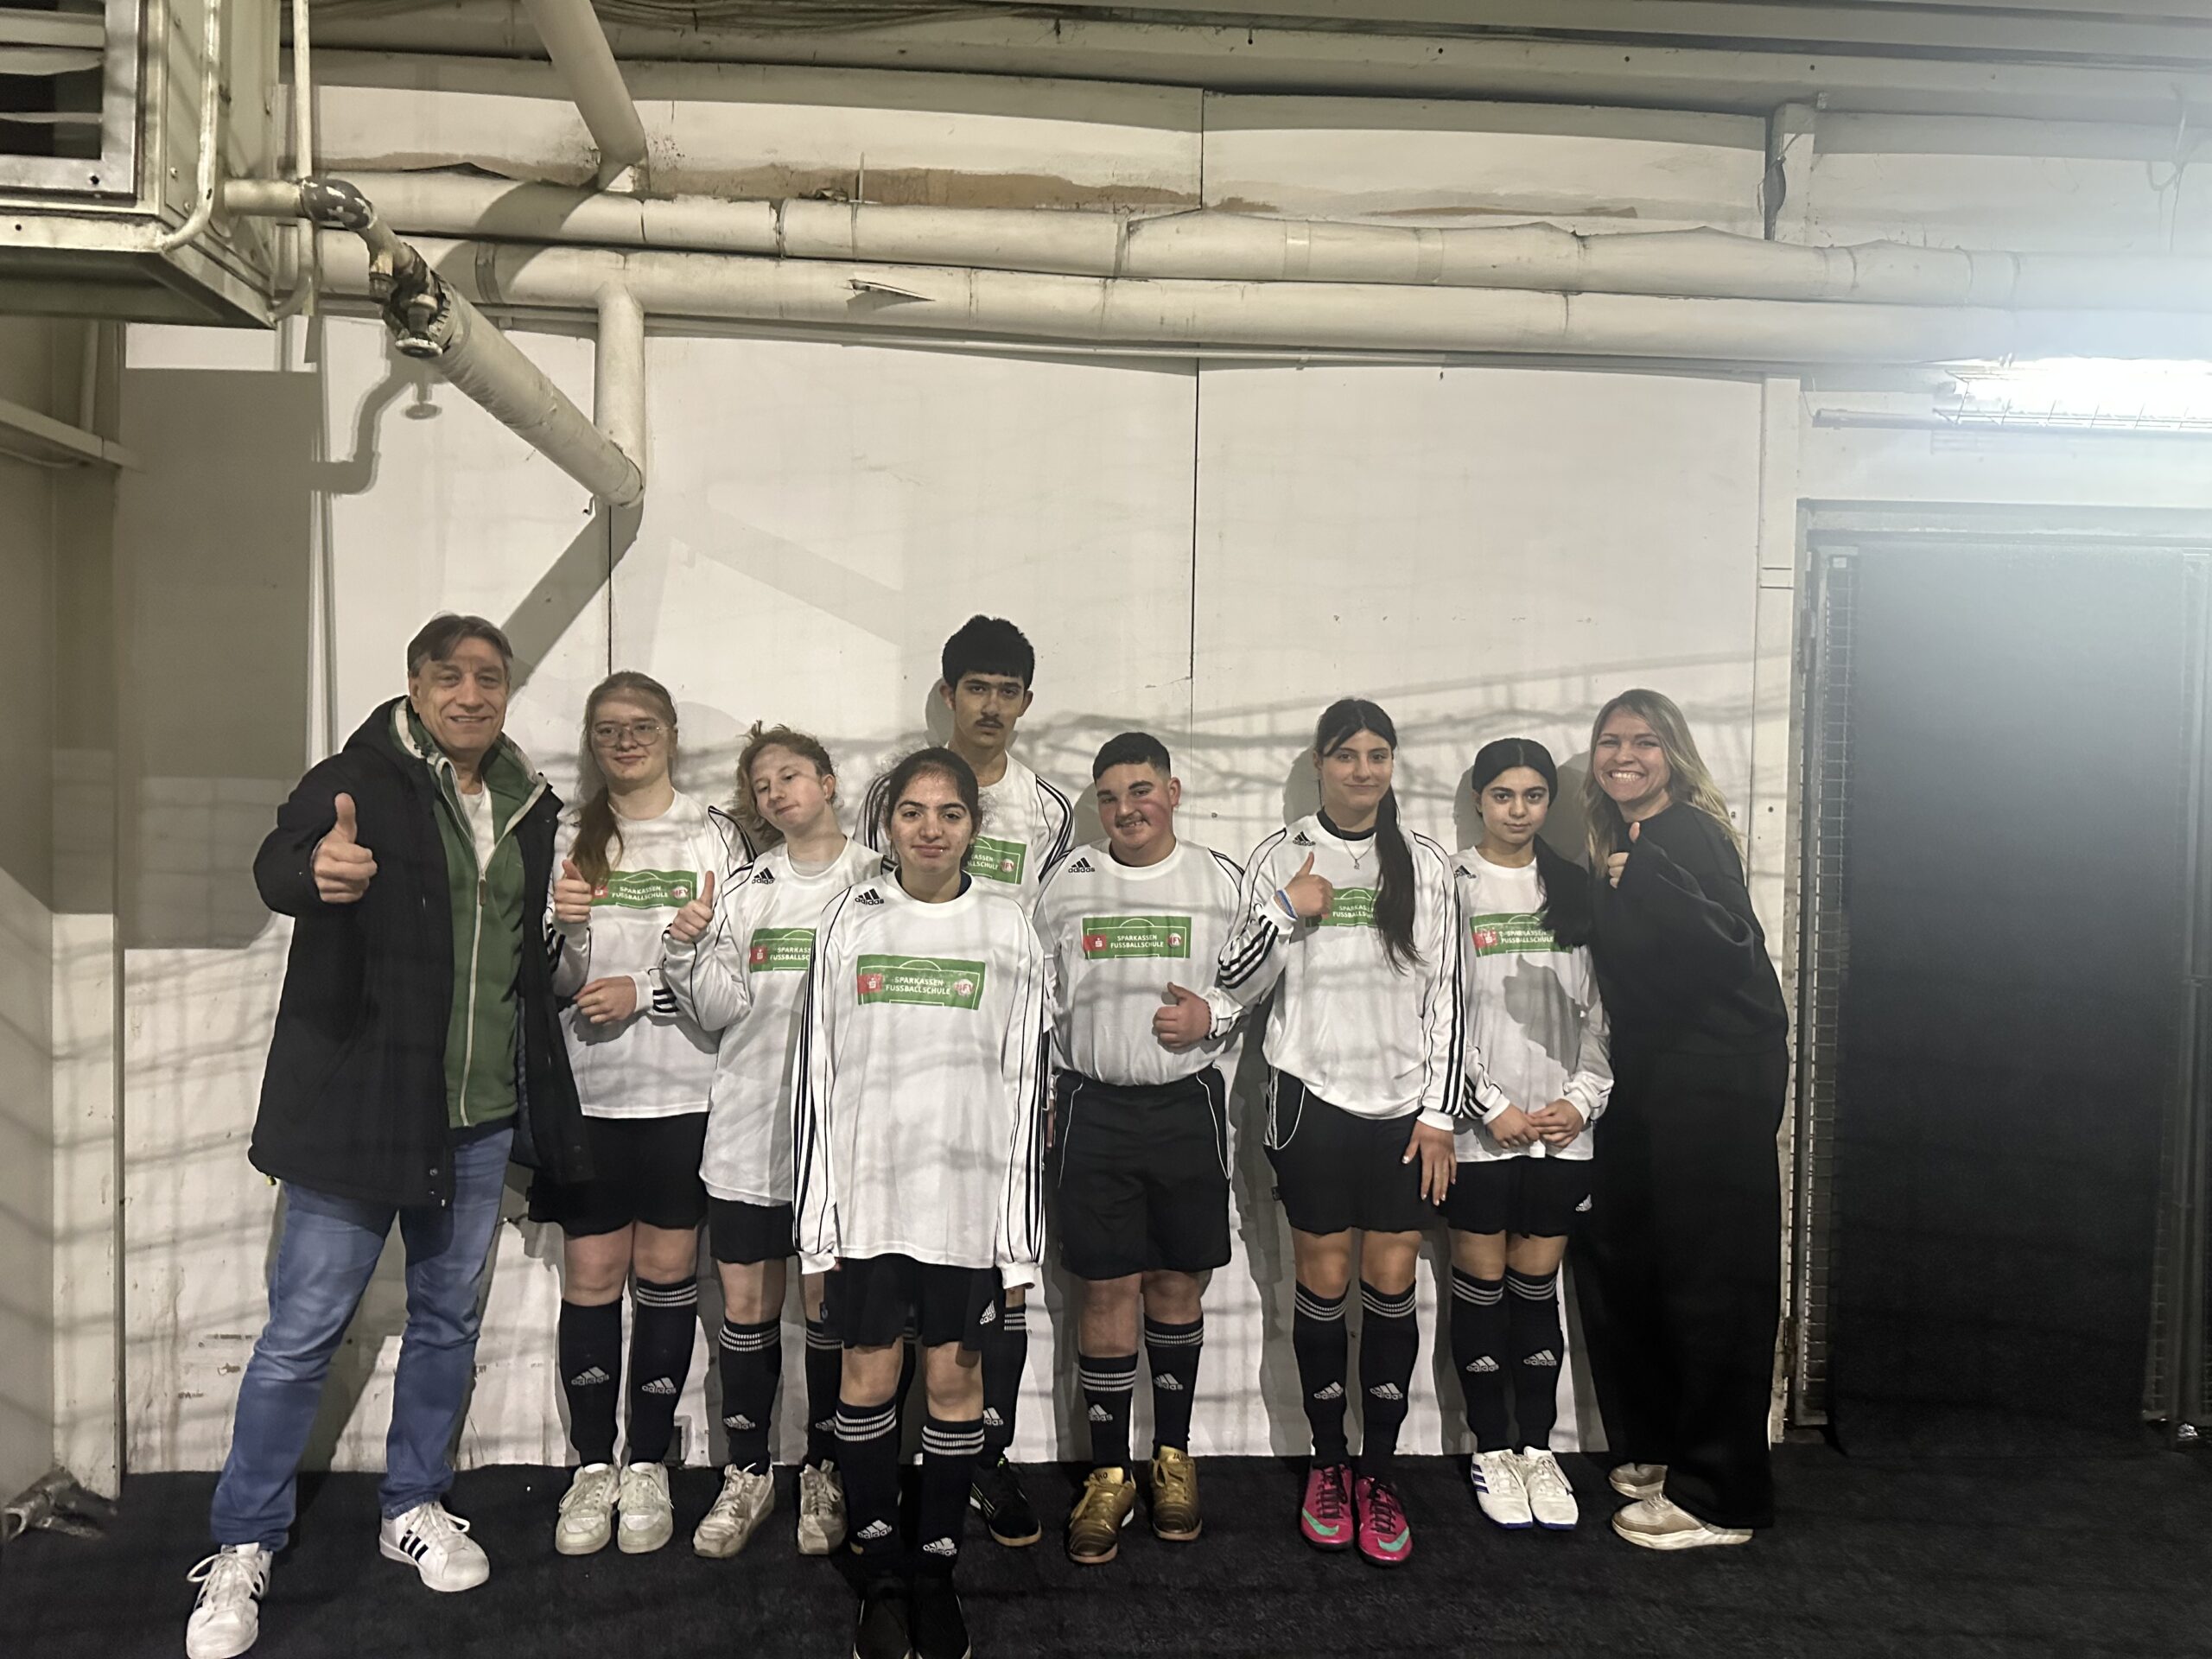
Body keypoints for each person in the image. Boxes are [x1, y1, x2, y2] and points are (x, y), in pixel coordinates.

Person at [186, 615, 589, 1659]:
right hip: (358, 1111)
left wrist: (568, 936)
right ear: (414, 686)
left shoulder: (528, 801)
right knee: (301, 1333)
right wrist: (309, 873)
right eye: (448, 676)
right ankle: (242, 1540)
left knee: (448, 1321)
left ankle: (413, 1504)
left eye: (488, 678)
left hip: (479, 1116)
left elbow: (519, 956)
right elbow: (281, 861)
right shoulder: (353, 779)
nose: (470, 694)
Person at [798, 748, 1049, 1659]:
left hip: (966, 1213)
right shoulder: (849, 919)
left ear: (974, 826)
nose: (930, 829)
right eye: (912, 812)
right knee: (866, 1381)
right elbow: (818, 1078)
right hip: (868, 1206)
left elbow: (1025, 1088)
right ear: (888, 822)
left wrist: (1017, 1245)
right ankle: (878, 1575)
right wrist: (816, 1232)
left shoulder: (1009, 927)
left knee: (952, 1384)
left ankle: (937, 1571)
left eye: (950, 813)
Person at [1213, 698, 1461, 1568]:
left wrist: (1440, 1113)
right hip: (1308, 1101)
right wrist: (1287, 909)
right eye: (1346, 754)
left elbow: (1450, 994)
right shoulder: (1279, 855)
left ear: (1392, 764)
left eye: (1377, 754)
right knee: (1320, 1283)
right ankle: (1327, 1465)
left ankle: (1378, 1475)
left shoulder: (1425, 862)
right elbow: (1235, 980)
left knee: (1391, 1286)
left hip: (1403, 1110)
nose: (1362, 770)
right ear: (1319, 763)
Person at [861, 615, 1073, 1547]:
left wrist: (1041, 1072)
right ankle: (882, 1467)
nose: (990, 705)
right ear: (948, 694)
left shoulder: (1048, 812)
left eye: (1007, 690)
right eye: (975, 687)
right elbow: (870, 911)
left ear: (1025, 702)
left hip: (1001, 1077)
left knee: (1001, 1272)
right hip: (903, 1069)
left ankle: (986, 1457)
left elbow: (1049, 943)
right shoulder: (896, 792)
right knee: (895, 1267)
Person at [1573, 689, 1789, 1552]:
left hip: (1716, 1080)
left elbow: (1732, 950)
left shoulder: (1686, 834)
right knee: (1644, 1264)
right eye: (1610, 741)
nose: (1624, 756)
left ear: (1674, 754)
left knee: (1714, 1279)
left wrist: (1647, 882)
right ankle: (1666, 1449)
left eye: (1644, 742)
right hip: (1656, 1080)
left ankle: (1722, 1496)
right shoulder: (1628, 839)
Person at [659, 722, 882, 1560]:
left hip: (846, 1145)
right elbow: (719, 1009)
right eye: (762, 786)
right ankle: (747, 1472)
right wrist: (683, 947)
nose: (777, 793)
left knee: (828, 1313)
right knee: (748, 1310)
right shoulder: (745, 889)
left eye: (791, 775)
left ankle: (824, 1469)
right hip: (751, 1134)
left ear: (828, 782)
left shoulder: (882, 881)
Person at [1032, 732, 1247, 1565]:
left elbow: (1255, 977)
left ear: (1174, 792)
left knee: (1175, 1282)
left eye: (1142, 790)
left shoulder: (1219, 880)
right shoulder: (1069, 881)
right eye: (1111, 797)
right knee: (1105, 1288)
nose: (1127, 810)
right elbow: (1038, 992)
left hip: (1186, 1106)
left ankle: (1174, 1458)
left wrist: (1212, 1015)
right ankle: (1109, 1472)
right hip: (1092, 1105)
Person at [536, 672, 737, 1558]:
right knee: (591, 1276)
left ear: (671, 734)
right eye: (608, 729)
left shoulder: (712, 832)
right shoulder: (565, 835)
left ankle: (648, 1462)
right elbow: (552, 979)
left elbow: (735, 965)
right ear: (592, 741)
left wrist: (647, 989)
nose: (626, 741)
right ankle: (593, 1467)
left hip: (684, 1090)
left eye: (642, 726)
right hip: (590, 1095)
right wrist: (574, 939)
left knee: (665, 1272)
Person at [1445, 739, 1611, 1534]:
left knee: (1537, 1287)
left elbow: (1605, 1012)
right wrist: (1488, 1103)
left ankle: (1537, 1450)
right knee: (1480, 1284)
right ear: (1479, 799)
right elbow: (1437, 1007)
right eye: (1504, 795)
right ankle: (1490, 1449)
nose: (1519, 810)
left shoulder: (1574, 887)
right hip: (1482, 1129)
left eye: (1535, 795)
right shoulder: (1450, 884)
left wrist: (1581, 1100)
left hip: (1561, 1130)